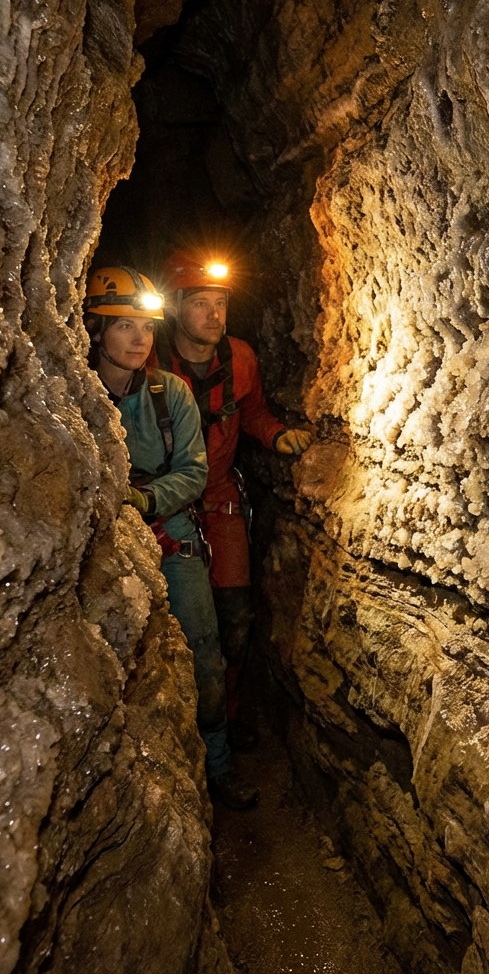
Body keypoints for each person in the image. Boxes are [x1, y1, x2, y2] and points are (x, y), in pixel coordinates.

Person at [85, 265, 259, 809]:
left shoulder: (171, 393)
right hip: (103, 544)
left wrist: (144, 499)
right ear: (95, 331)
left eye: (145, 327)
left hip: (171, 535)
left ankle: (219, 768)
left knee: (205, 655)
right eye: (124, 327)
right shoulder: (76, 393)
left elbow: (192, 470)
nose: (139, 338)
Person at [154, 250, 314, 749]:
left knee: (236, 617)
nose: (213, 315)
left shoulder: (240, 358)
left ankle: (230, 712)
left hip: (219, 497)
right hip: (166, 504)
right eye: (200, 303)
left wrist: (276, 436)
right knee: (176, 621)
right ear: (176, 307)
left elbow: (255, 413)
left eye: (219, 303)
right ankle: (184, 729)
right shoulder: (154, 361)